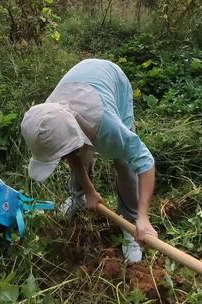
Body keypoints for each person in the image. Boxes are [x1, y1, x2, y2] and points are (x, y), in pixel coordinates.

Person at [20, 58, 158, 263]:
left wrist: (143, 216)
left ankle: (130, 224)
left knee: (124, 164)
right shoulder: (49, 115)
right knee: (78, 152)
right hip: (80, 82)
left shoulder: (109, 128)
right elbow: (69, 152)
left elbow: (145, 161)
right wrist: (89, 191)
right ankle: (78, 197)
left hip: (113, 81)